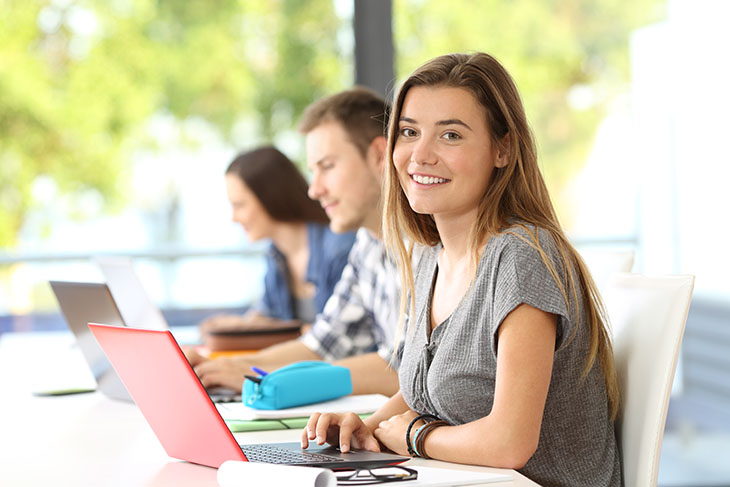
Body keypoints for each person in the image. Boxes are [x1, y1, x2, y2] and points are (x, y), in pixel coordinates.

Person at [301, 53, 622, 487]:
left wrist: (416, 435)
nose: (420, 154)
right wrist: (368, 426)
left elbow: (510, 442)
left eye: (450, 135)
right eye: (409, 132)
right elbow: (424, 390)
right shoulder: (428, 256)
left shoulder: (521, 257)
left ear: (502, 149)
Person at [188, 87, 402, 396]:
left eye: (327, 166)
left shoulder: (430, 246)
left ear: (379, 156)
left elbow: (408, 371)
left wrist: (265, 377)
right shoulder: (367, 247)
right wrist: (233, 366)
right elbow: (321, 345)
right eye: (313, 171)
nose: (314, 190)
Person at [199, 147, 355, 335]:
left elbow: (339, 337)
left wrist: (274, 331)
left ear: (269, 197)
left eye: (239, 205)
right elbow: (267, 314)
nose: (234, 218)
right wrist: (238, 325)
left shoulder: (340, 248)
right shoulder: (276, 255)